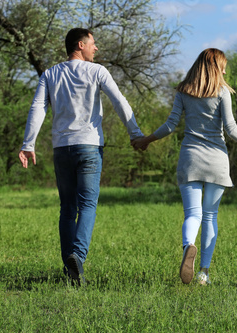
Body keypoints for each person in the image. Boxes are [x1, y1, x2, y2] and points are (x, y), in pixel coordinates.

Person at [132, 48, 237, 285]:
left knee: (192, 214)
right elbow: (231, 128)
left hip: (190, 159)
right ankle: (203, 273)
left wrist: (146, 140)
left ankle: (189, 246)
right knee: (210, 215)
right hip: (217, 160)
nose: (225, 70)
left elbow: (170, 125)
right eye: (223, 66)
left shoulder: (183, 91)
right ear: (216, 67)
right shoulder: (222, 92)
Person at [18, 28, 144, 285]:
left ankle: (70, 269)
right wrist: (135, 133)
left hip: (61, 149)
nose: (95, 48)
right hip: (88, 147)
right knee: (87, 205)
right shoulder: (97, 72)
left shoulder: (50, 74)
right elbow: (119, 101)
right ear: (80, 45)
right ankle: (78, 256)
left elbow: (37, 108)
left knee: (67, 208)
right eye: (93, 44)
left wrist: (28, 143)